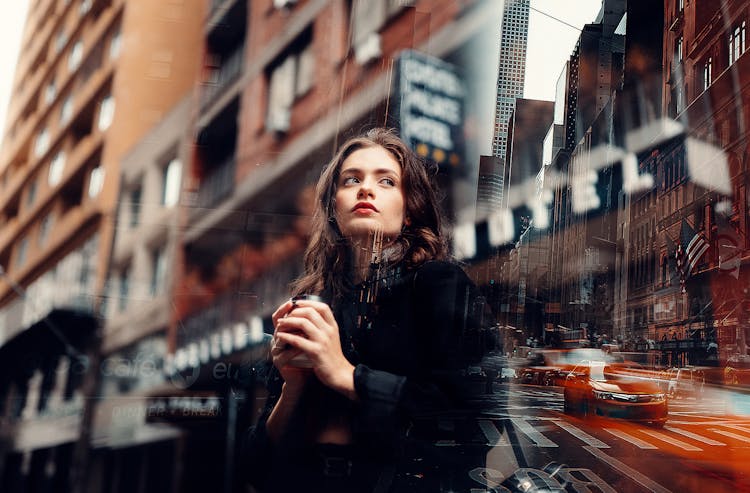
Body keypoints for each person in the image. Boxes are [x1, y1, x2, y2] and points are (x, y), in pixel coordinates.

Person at [243, 128, 496, 492]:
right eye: (351, 179)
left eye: (387, 181)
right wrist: (293, 387)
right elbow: (257, 465)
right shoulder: (314, 303)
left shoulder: (438, 284)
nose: (366, 188)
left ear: (409, 211)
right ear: (333, 208)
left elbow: (474, 414)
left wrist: (345, 375)